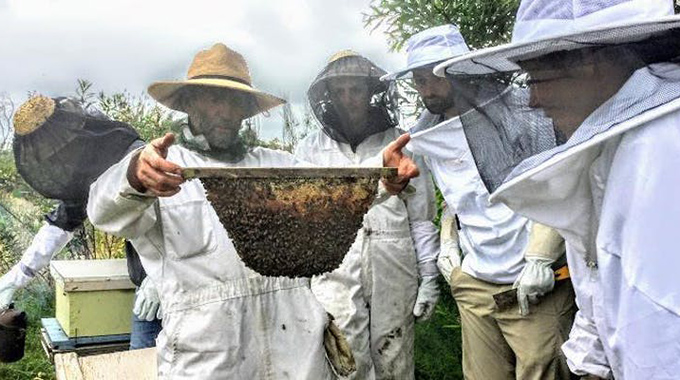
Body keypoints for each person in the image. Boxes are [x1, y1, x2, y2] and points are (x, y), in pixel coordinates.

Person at [87, 43, 418, 378]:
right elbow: (102, 210)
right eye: (213, 98)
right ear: (188, 102)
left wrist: (383, 175)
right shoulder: (163, 168)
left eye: (235, 101)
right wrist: (134, 176)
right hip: (209, 357)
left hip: (296, 351)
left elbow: (335, 188)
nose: (225, 111)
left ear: (246, 110)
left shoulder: (278, 166)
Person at [436, 0, 680, 378]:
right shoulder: (612, 148)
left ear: (588, 60)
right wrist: (589, 361)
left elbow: (660, 331)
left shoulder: (662, 149)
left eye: (537, 78)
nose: (532, 101)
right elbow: (601, 281)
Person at [382, 24, 577, 380]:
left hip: (534, 283)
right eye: (418, 79)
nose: (426, 88)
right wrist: (448, 245)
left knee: (545, 371)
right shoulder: (428, 134)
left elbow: (557, 182)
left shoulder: (524, 111)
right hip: (475, 283)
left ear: (460, 69)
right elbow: (457, 200)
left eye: (433, 76)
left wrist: (541, 256)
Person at [296, 50, 440, 380]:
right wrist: (301, 287)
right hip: (334, 266)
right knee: (346, 361)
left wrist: (429, 274)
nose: (348, 99)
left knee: (395, 357)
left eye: (356, 90)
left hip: (394, 263)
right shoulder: (310, 149)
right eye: (340, 91)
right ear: (328, 96)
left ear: (371, 91)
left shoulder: (401, 142)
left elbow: (420, 216)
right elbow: (303, 220)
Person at [0, 95, 162, 350]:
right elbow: (63, 221)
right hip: (148, 281)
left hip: (179, 278)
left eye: (56, 152)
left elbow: (175, 212)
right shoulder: (84, 169)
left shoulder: (131, 152)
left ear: (72, 136)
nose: (56, 160)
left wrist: (161, 273)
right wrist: (16, 276)